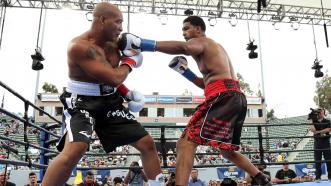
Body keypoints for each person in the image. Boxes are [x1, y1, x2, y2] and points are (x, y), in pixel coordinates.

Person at [118, 15, 272, 186]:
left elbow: (184, 47)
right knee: (225, 150)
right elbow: (209, 84)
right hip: (233, 97)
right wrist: (185, 72)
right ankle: (261, 179)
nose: (183, 32)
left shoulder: (203, 42)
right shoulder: (215, 50)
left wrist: (143, 44)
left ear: (198, 29)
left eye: (186, 28)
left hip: (224, 97)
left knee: (185, 143)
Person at [41, 2, 163, 186]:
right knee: (75, 150)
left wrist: (126, 93)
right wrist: (130, 62)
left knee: (147, 144)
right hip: (81, 102)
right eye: (118, 22)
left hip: (109, 100)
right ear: (102, 20)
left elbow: (109, 80)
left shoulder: (115, 45)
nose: (122, 28)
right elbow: (114, 77)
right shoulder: (79, 46)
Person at [309, 108, 331, 180]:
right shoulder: (314, 121)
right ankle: (318, 177)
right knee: (317, 160)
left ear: (323, 113)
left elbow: (328, 129)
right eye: (318, 112)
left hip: (325, 142)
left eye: (320, 111)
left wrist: (318, 132)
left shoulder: (327, 121)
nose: (319, 113)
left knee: (328, 160)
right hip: (317, 142)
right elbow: (313, 130)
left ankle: (330, 176)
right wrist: (311, 120)